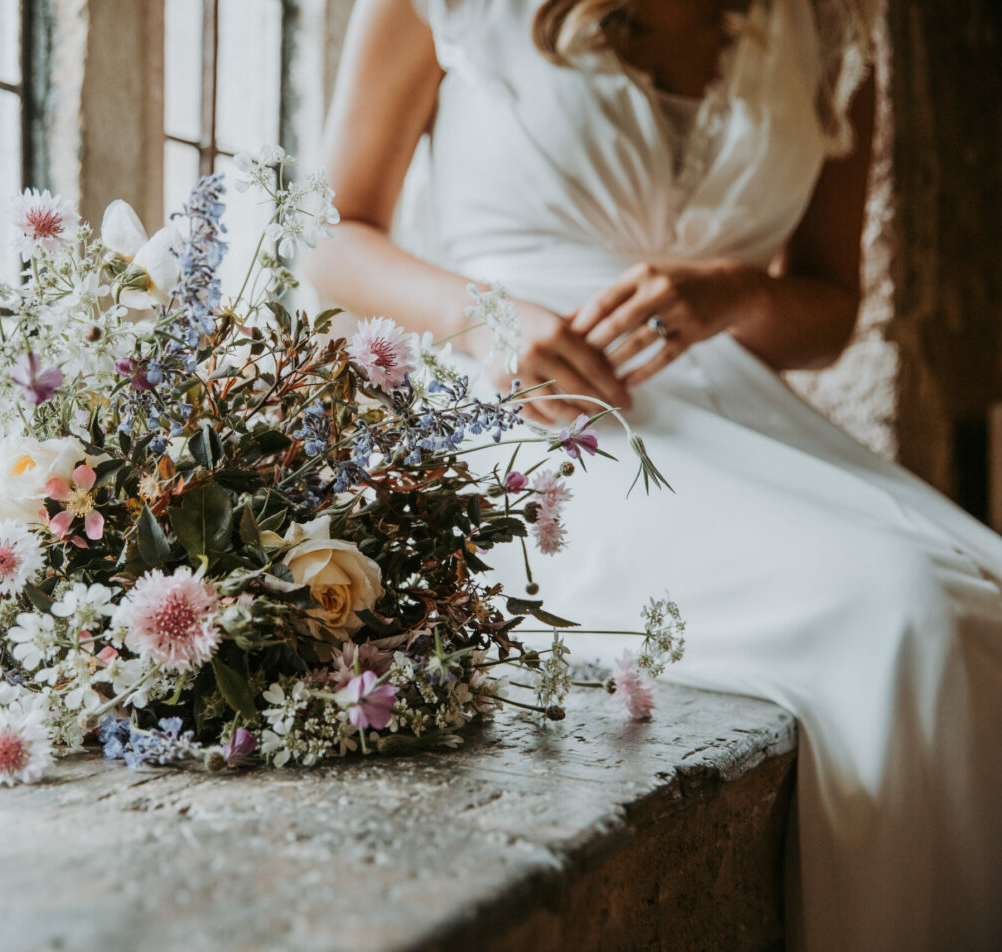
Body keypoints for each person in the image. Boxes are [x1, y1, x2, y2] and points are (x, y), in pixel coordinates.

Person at [304, 1, 1002, 948]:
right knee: (907, 608)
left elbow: (832, 310)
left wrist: (739, 290)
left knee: (982, 603)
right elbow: (332, 232)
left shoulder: (834, 33)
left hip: (744, 414)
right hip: (525, 424)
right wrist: (483, 318)